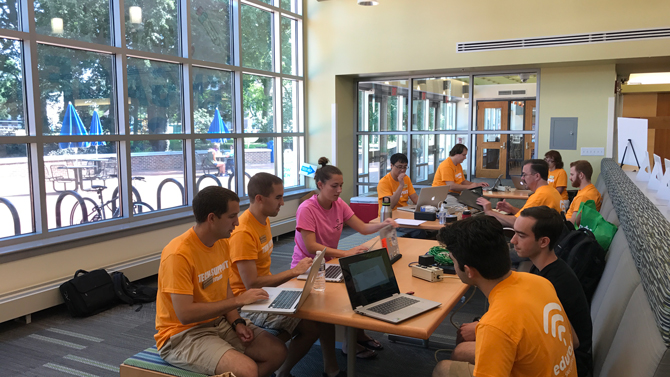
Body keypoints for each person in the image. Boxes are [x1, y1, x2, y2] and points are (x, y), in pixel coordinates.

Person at [155, 186, 286, 377]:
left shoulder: (222, 241)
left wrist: (237, 322)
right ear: (211, 218)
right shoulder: (178, 254)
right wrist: (239, 301)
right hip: (181, 335)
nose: (238, 222)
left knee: (277, 352)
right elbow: (185, 314)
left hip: (218, 322)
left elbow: (224, 289)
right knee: (248, 370)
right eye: (232, 216)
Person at [229, 173, 345, 377]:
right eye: (278, 198)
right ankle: (282, 371)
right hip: (246, 303)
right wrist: (294, 272)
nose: (282, 203)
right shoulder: (244, 232)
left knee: (318, 311)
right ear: (259, 198)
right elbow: (251, 283)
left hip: (266, 293)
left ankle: (287, 371)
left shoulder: (262, 220)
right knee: (311, 325)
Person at [454, 207, 592, 376]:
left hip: (567, 360)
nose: (513, 241)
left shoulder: (553, 281)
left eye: (521, 235)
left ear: (543, 242)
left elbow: (570, 340)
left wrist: (484, 327)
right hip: (561, 356)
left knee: (458, 353)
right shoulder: (542, 276)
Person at [292, 157, 398, 359]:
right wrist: (346, 253)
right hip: (307, 268)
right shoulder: (307, 209)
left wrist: (384, 224)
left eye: (341, 185)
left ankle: (356, 335)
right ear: (320, 185)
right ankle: (350, 341)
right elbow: (311, 246)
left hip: (329, 263)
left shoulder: (338, 204)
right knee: (349, 290)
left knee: (362, 284)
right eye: (335, 186)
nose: (339, 190)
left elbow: (364, 228)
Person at [476, 159, 562, 227]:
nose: (522, 178)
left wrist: (489, 211)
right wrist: (512, 210)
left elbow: (517, 222)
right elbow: (531, 216)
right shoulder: (551, 190)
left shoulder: (540, 195)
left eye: (525, 175)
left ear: (537, 176)